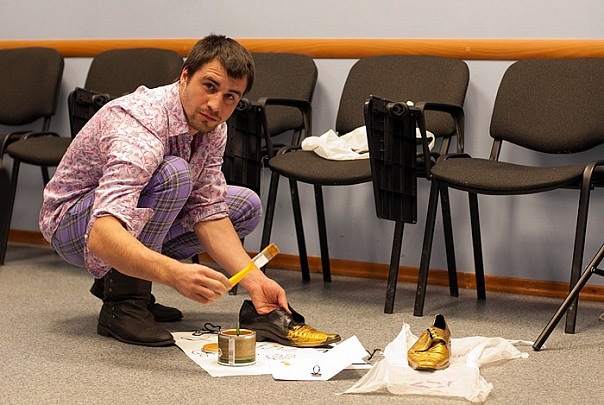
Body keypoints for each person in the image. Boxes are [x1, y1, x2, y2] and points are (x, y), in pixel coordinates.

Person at [39, 34, 289, 347]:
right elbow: (101, 233)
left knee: (243, 205)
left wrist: (256, 280)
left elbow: (207, 210)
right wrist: (174, 274)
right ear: (185, 76)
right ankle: (124, 303)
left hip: (124, 220)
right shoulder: (140, 122)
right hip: (73, 223)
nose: (216, 105)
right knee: (173, 174)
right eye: (209, 86)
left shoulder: (213, 127)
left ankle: (125, 278)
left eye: (230, 97)